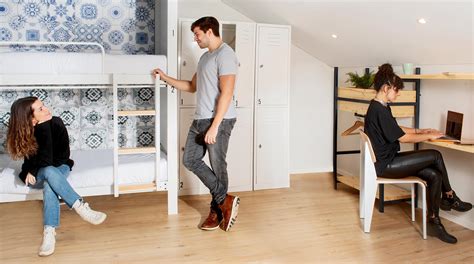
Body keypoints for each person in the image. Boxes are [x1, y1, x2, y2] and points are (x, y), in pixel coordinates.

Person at [364, 63, 472, 244]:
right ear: (386, 88)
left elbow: (396, 129)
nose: (398, 94)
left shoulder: (381, 106)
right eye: (396, 90)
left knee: (434, 175)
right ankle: (450, 197)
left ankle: (434, 223)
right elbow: (403, 138)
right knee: (435, 155)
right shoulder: (378, 110)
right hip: (386, 165)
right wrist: (429, 136)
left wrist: (421, 130)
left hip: (389, 161)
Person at [152, 16, 240, 232]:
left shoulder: (226, 55)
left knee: (218, 166)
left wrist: (215, 126)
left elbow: (227, 93)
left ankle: (217, 210)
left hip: (218, 119)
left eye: (197, 34)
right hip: (200, 118)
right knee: (190, 159)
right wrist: (164, 77)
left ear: (210, 32)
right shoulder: (204, 58)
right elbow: (192, 86)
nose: (195, 38)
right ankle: (224, 200)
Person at [7, 97, 107, 256]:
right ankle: (80, 206)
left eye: (43, 105)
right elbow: (34, 162)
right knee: (47, 172)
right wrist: (31, 170)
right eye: (40, 109)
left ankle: (49, 232)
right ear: (31, 119)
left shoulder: (56, 123)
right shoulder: (26, 132)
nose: (46, 109)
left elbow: (61, 157)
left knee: (49, 180)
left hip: (60, 166)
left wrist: (45, 125)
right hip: (36, 173)